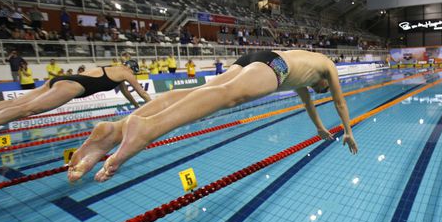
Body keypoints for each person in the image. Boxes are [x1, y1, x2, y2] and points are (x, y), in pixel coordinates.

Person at [68, 50, 358, 183]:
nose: (318, 90)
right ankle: (147, 127)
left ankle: (116, 130)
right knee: (229, 96)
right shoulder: (327, 66)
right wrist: (348, 130)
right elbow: (339, 101)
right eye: (322, 89)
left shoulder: (306, 74)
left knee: (205, 90)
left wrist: (319, 127)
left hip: (259, 57)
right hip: (275, 65)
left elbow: (309, 104)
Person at [0, 61, 151, 131]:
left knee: (16, 102)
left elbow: (127, 93)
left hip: (62, 80)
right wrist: (155, 106)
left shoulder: (115, 71)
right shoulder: (126, 72)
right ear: (132, 69)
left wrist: (137, 108)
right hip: (73, 87)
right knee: (26, 110)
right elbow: (141, 91)